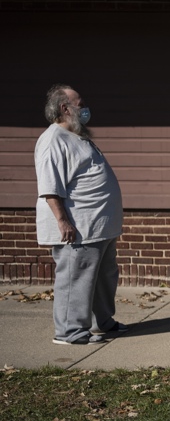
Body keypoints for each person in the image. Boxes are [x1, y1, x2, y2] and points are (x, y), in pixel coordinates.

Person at [35, 84, 127, 345]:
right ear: (65, 108)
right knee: (76, 280)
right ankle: (69, 332)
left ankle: (103, 323)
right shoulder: (53, 140)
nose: (85, 108)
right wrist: (63, 221)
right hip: (79, 227)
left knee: (103, 278)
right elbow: (50, 186)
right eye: (80, 103)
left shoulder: (77, 136)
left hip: (100, 226)